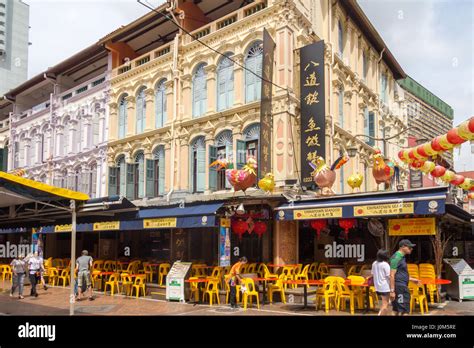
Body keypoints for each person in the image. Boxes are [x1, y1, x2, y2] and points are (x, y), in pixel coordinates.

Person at [390, 239, 421, 316]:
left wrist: (412, 279)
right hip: (400, 287)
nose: (411, 249)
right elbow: (391, 275)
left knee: (397, 310)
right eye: (409, 247)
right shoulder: (396, 258)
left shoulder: (400, 257)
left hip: (400, 286)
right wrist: (392, 291)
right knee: (405, 311)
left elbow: (399, 273)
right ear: (403, 247)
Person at [370, 249, 391, 315]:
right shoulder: (385, 264)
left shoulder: (374, 263)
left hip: (378, 287)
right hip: (385, 287)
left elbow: (372, 274)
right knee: (385, 305)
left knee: (384, 304)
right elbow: (389, 276)